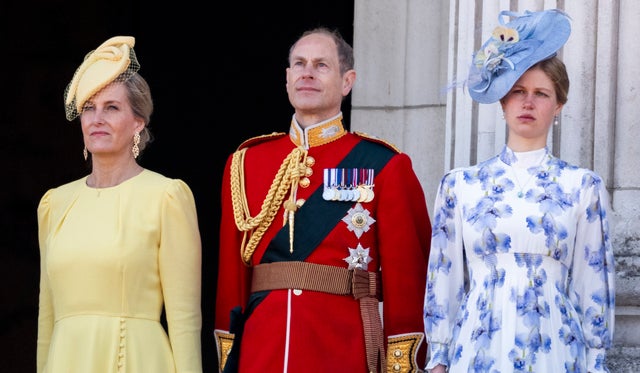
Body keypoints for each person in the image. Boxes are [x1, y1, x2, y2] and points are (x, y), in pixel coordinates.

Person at [214, 27, 431, 373]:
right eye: (299, 64)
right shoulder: (245, 162)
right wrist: (229, 353)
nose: (308, 73)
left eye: (321, 65)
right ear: (287, 79)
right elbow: (231, 276)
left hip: (341, 350)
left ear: (347, 82)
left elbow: (409, 280)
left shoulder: (384, 165)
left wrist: (401, 363)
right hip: (261, 350)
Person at [423, 9, 616, 373]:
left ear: (558, 105)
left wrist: (597, 361)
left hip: (556, 349)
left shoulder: (582, 186)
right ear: (502, 101)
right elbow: (443, 278)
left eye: (541, 93)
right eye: (518, 91)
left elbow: (595, 283)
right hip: (476, 347)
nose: (528, 102)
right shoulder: (460, 185)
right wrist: (439, 357)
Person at [36, 36, 203, 373]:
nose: (97, 118)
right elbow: (47, 317)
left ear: (138, 122)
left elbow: (185, 320)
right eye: (88, 108)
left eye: (112, 107)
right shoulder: (55, 203)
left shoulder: (166, 196)